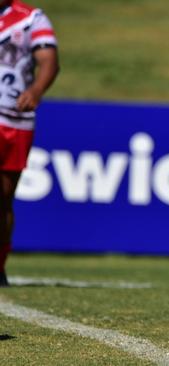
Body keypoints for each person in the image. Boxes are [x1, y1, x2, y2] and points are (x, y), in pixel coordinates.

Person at [0, 0, 59, 287]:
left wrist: (36, 89)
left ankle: (0, 262)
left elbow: (49, 61)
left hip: (14, 120)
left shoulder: (31, 18)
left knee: (4, 197)